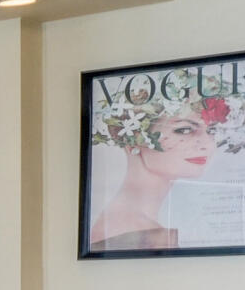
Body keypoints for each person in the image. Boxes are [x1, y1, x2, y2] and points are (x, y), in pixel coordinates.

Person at [89, 101, 225, 251]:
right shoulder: (136, 232)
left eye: (211, 131)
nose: (206, 144)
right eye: (185, 130)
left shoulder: (125, 222)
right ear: (132, 140)